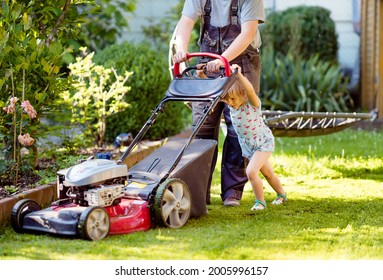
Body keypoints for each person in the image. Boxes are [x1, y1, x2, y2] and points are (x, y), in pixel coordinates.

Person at [173, 0, 266, 206]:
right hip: (208, 62)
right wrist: (181, 50)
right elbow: (186, 22)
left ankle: (232, 192)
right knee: (202, 127)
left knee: (238, 128)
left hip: (241, 64)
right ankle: (198, 192)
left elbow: (247, 33)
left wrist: (222, 59)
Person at [223, 64, 286, 210]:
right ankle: (282, 194)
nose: (229, 103)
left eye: (232, 99)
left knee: (251, 172)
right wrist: (202, 75)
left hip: (263, 143)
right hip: (249, 146)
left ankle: (260, 202)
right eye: (226, 100)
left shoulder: (252, 104)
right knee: (268, 174)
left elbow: (250, 91)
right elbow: (217, 91)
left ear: (243, 94)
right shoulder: (233, 107)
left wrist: (239, 75)